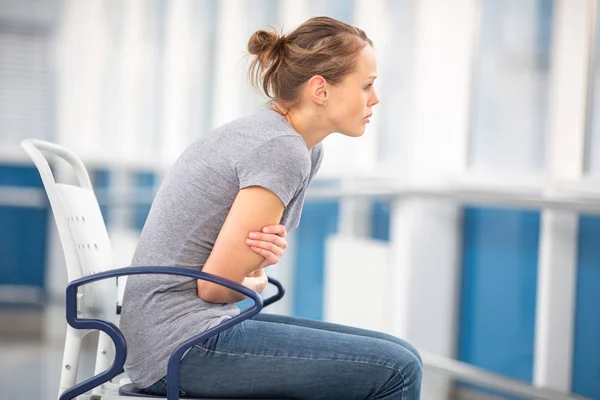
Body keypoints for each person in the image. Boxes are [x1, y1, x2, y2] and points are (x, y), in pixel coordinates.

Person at [120, 16, 422, 400]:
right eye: (366, 86)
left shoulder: (295, 146)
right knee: (397, 368)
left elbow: (244, 275)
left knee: (402, 354)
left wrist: (252, 276)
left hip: (181, 336)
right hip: (181, 347)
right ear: (320, 89)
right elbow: (216, 288)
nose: (375, 99)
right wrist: (252, 277)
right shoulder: (279, 149)